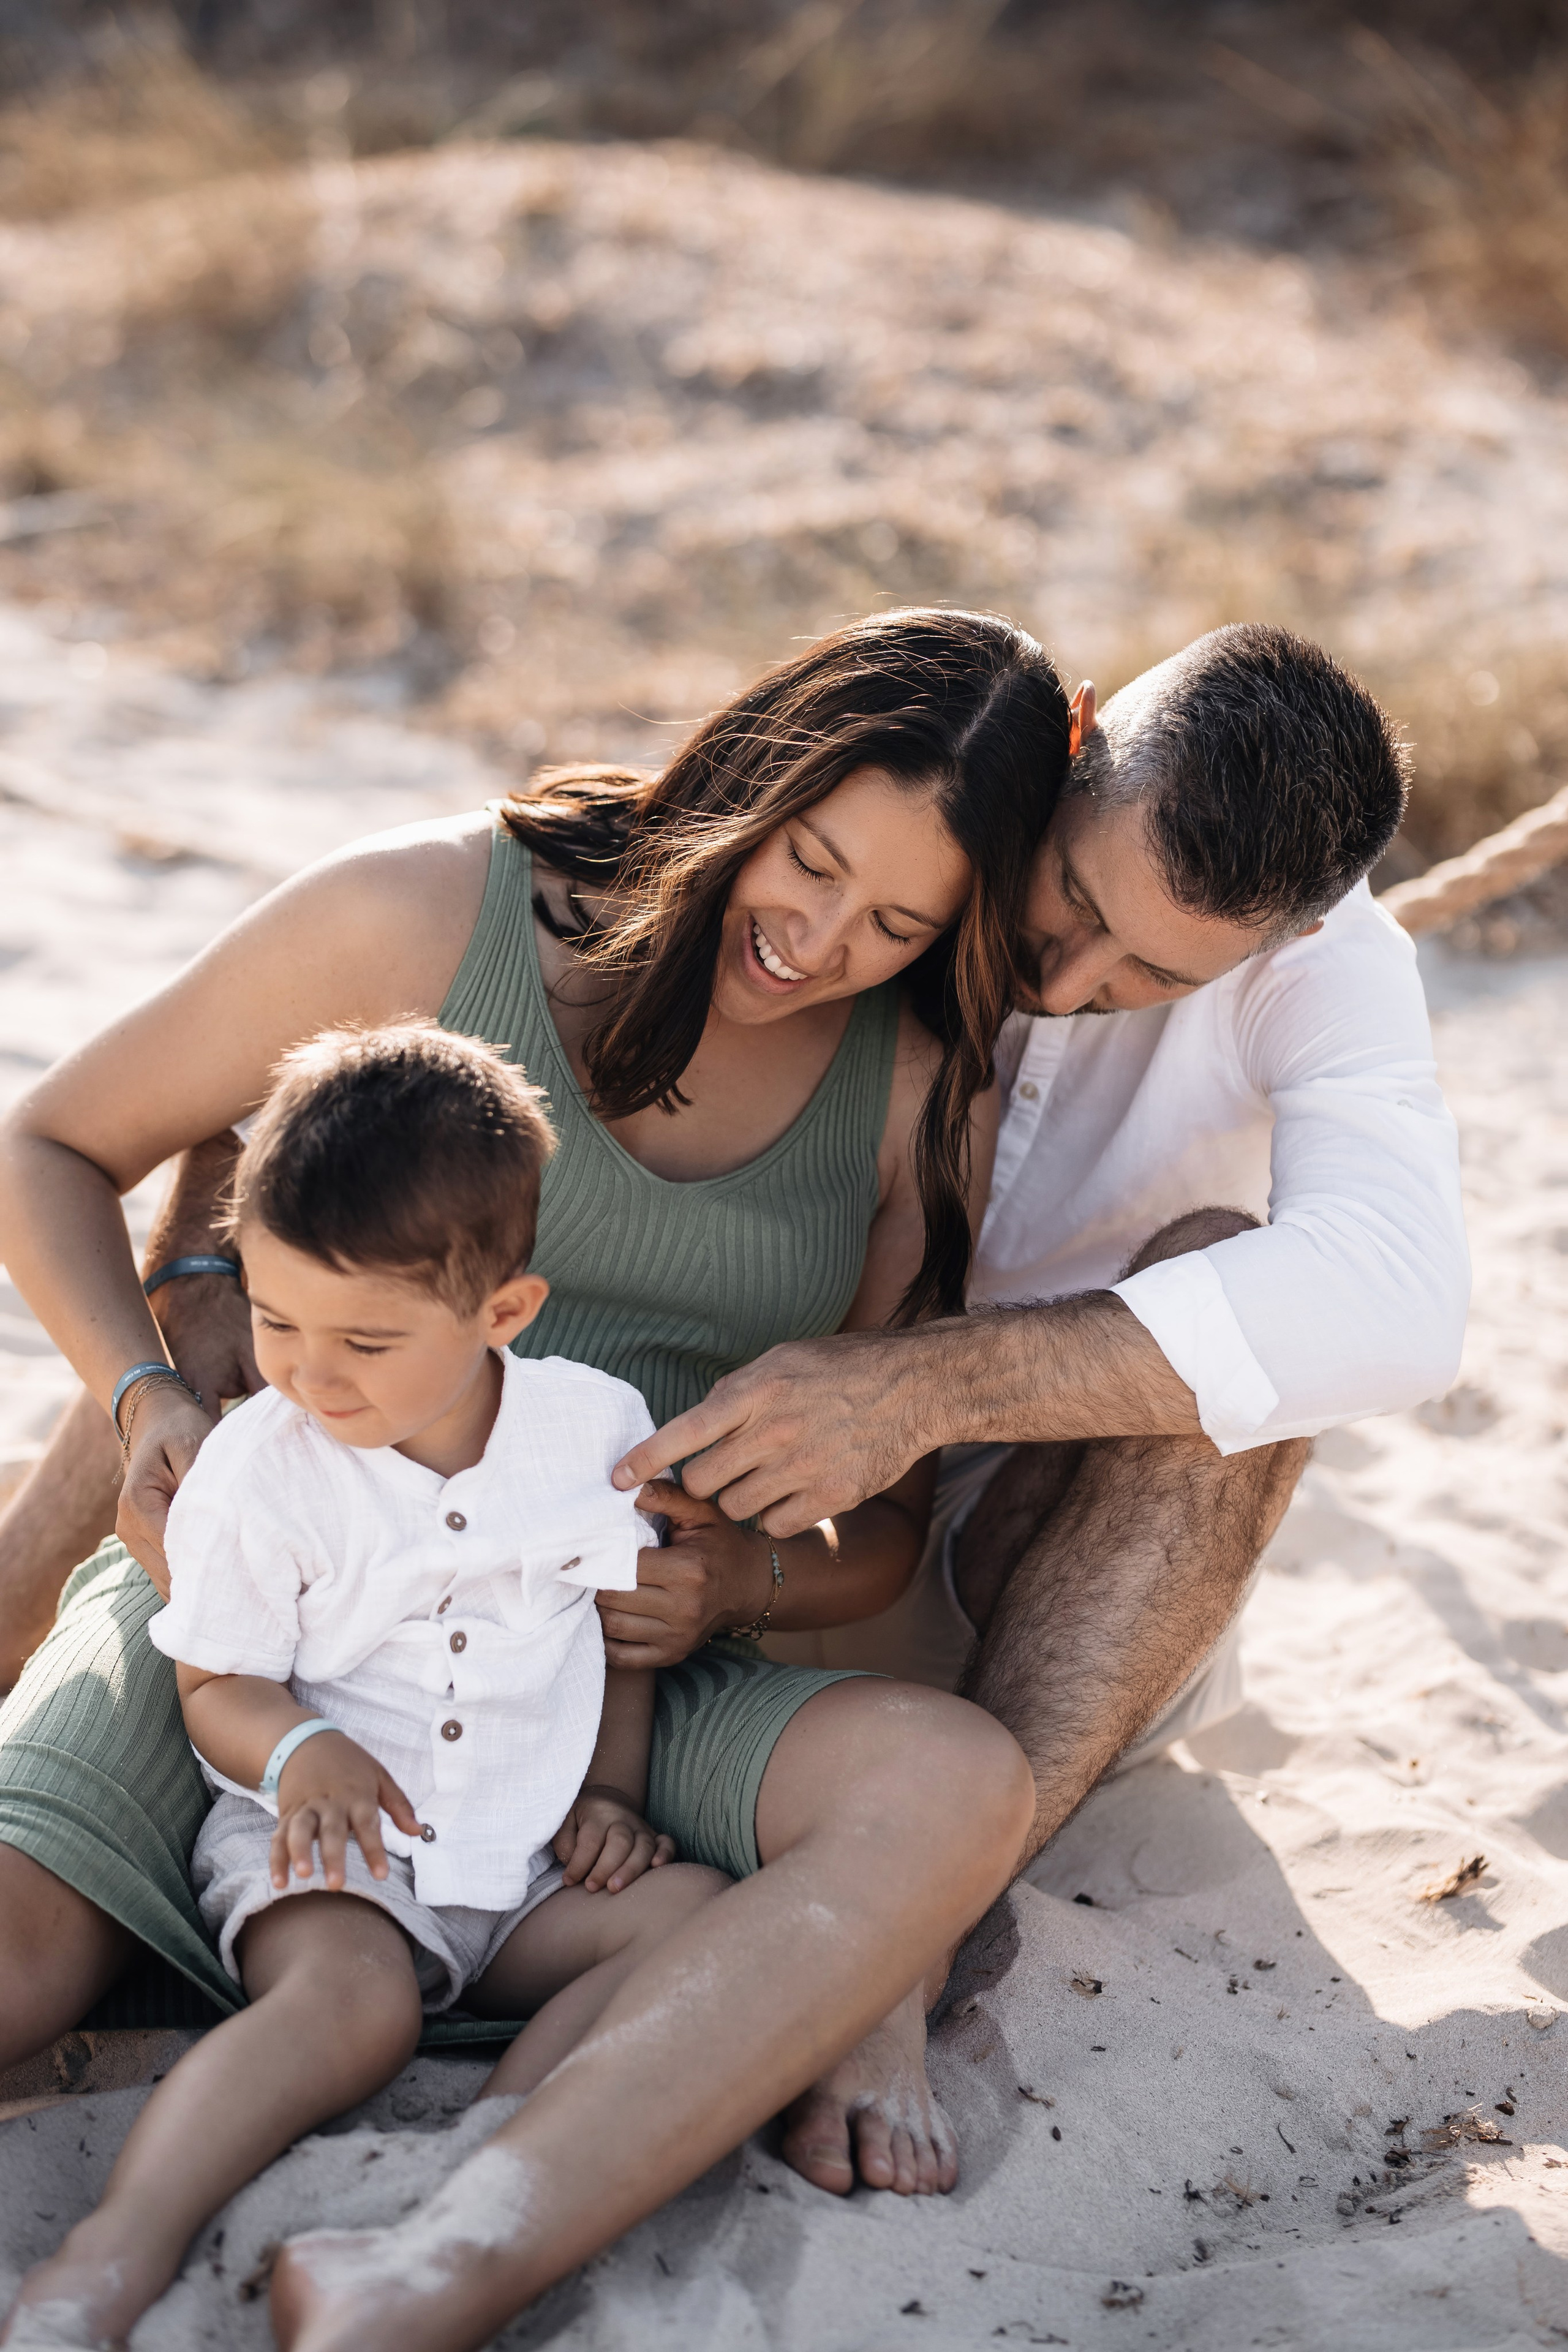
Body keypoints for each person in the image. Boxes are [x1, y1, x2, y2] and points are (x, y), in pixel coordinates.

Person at [0, 608, 1061, 2250]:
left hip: (611, 1693)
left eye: (898, 921)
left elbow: (881, 1527)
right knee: (16, 1960)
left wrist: (741, 1594)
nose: (821, 937)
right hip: (274, 1603)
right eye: (810, 858)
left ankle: (445, 2220)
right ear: (750, 774)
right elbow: (51, 1144)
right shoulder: (424, 911)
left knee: (947, 1775)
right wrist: (148, 1401)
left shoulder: (916, 1087)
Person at [611, 624, 1471, 1985]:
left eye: (1152, 975)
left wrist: (923, 1388)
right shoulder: (935, 786)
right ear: (1074, 742)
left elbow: (1401, 1303)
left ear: (1292, 934)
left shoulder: (1329, 963)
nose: (1065, 985)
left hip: (1038, 1589)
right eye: (1070, 896)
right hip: (713, 1491)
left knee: (1226, 1301)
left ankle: (920, 1922)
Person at [5, 1024, 746, 2350]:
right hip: (329, 1844)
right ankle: (120, 2245)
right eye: (276, 1315)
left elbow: (614, 1631)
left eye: (363, 1339)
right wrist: (298, 1756)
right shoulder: (259, 1462)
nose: (306, 1371)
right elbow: (218, 1679)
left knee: (695, 1919)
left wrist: (616, 1798)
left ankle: (485, 2147)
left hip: (519, 1862)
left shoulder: (592, 1432)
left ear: (501, 1312)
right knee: (356, 2005)